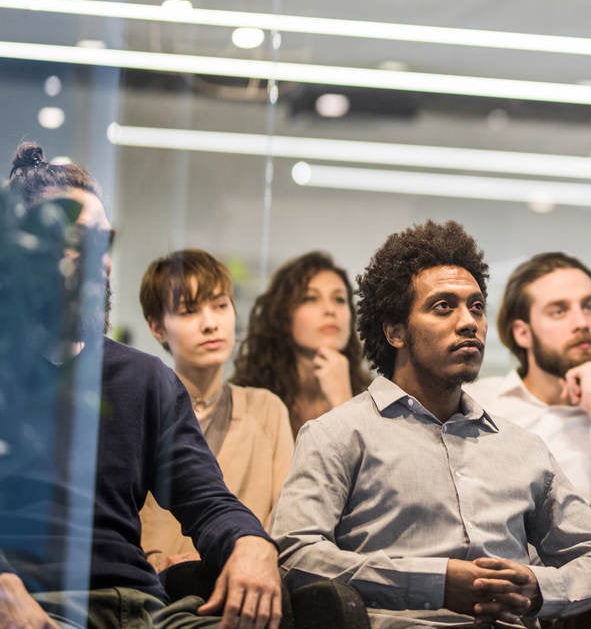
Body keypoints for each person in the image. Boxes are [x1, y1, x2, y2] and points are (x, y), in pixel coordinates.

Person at [270, 220, 591, 628]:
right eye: (443, 306)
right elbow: (295, 554)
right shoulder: (337, 435)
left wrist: (537, 587)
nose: (469, 322)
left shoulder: (522, 447)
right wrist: (436, 583)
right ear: (395, 331)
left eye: (476, 306)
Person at [0, 142, 282, 629]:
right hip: (36, 603)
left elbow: (208, 501)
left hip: (143, 608)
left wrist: (251, 544)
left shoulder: (147, 380)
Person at [468, 252, 591, 551]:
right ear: (523, 333)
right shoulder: (478, 404)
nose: (582, 323)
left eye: (589, 307)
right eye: (559, 311)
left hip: (580, 588)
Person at [138, 249, 294, 571]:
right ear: (156, 327)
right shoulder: (142, 411)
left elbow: (286, 517)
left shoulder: (265, 409)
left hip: (247, 581)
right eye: (188, 311)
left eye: (221, 306)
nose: (210, 324)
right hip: (153, 593)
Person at [231, 250, 371, 437]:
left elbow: (366, 465)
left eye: (339, 299)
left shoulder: (374, 401)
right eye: (310, 298)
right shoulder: (247, 400)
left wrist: (343, 400)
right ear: (283, 314)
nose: (330, 310)